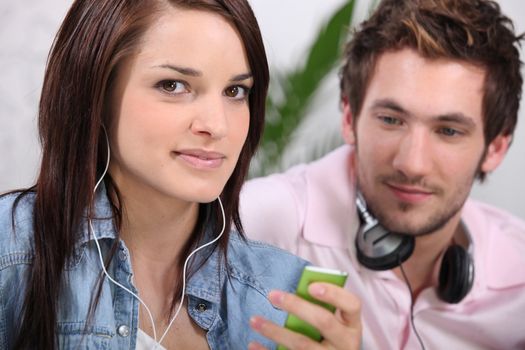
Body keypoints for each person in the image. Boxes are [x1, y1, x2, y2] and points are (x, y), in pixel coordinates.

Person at [0, 1, 362, 349]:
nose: (216, 126)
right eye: (173, 86)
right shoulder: (12, 252)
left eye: (235, 91)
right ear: (95, 92)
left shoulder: (287, 298)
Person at [240, 0, 525, 349]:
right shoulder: (255, 221)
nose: (412, 164)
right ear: (349, 119)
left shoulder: (519, 276)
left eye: (449, 131)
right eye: (391, 120)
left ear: (495, 148)